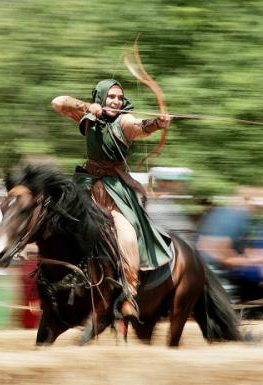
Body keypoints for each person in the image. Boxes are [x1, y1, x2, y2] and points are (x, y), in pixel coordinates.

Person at [51, 79, 173, 320]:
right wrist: (88, 107)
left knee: (127, 236)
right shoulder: (87, 117)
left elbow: (140, 126)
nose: (117, 101)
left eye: (119, 98)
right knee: (57, 222)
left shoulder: (123, 121)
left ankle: (129, 295)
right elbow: (58, 103)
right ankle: (52, 279)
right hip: (86, 184)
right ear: (101, 97)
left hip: (115, 191)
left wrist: (158, 123)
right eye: (111, 97)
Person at [196, 186, 263, 303]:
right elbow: (222, 257)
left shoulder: (235, 216)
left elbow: (240, 250)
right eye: (262, 202)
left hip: (212, 275)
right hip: (209, 278)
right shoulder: (231, 217)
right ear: (248, 200)